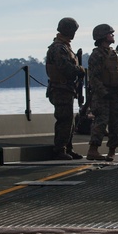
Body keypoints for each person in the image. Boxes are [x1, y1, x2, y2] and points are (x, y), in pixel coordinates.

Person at [87, 24, 118, 160]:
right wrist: (103, 92)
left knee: (115, 124)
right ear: (102, 36)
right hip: (103, 96)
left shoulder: (115, 54)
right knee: (101, 122)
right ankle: (93, 150)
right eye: (110, 33)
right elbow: (93, 78)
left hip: (116, 94)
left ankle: (111, 151)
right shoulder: (96, 55)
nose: (113, 35)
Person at [45, 17, 85, 160]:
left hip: (67, 88)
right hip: (60, 89)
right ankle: (59, 149)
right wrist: (80, 69)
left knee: (70, 121)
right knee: (64, 120)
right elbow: (66, 68)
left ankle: (68, 148)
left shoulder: (65, 47)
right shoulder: (58, 48)